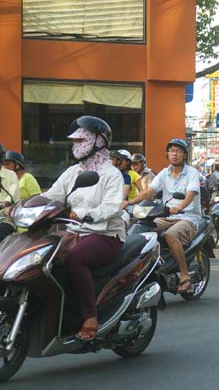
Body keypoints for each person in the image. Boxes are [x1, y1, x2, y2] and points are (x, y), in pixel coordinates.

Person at [43, 117, 125, 341]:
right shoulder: (73, 172)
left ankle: (90, 316)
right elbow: (51, 196)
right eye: (74, 141)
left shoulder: (111, 174)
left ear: (99, 141)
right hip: (73, 231)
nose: (75, 145)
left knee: (74, 260)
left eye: (80, 140)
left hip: (105, 234)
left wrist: (86, 214)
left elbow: (111, 207)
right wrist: (22, 206)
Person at [132, 138, 202, 293]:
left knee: (170, 235)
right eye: (171, 151)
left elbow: (190, 194)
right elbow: (150, 191)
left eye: (178, 151)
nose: (174, 154)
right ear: (167, 154)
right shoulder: (164, 173)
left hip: (187, 217)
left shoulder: (192, 173)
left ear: (185, 155)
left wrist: (179, 207)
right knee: (141, 229)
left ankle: (184, 275)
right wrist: (130, 202)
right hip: (166, 216)